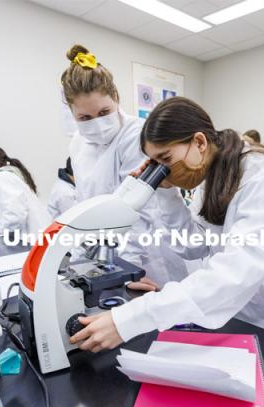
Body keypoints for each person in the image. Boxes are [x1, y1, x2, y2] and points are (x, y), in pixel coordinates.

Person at [69, 97, 264, 365]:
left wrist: (130, 319)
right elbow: (194, 245)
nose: (164, 169)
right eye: (156, 163)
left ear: (199, 142)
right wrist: (163, 190)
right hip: (252, 318)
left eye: (166, 160)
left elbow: (235, 271)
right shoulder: (213, 175)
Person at [61, 43, 188, 290]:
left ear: (116, 97)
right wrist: (78, 259)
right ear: (72, 113)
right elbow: (84, 202)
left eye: (104, 111)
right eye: (85, 118)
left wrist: (125, 269)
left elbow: (142, 209)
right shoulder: (77, 143)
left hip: (147, 254)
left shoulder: (137, 133)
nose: (96, 123)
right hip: (104, 253)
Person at [0, 142, 50, 236]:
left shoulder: (2, 178)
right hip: (35, 236)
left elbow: (15, 216)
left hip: (30, 239)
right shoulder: (7, 175)